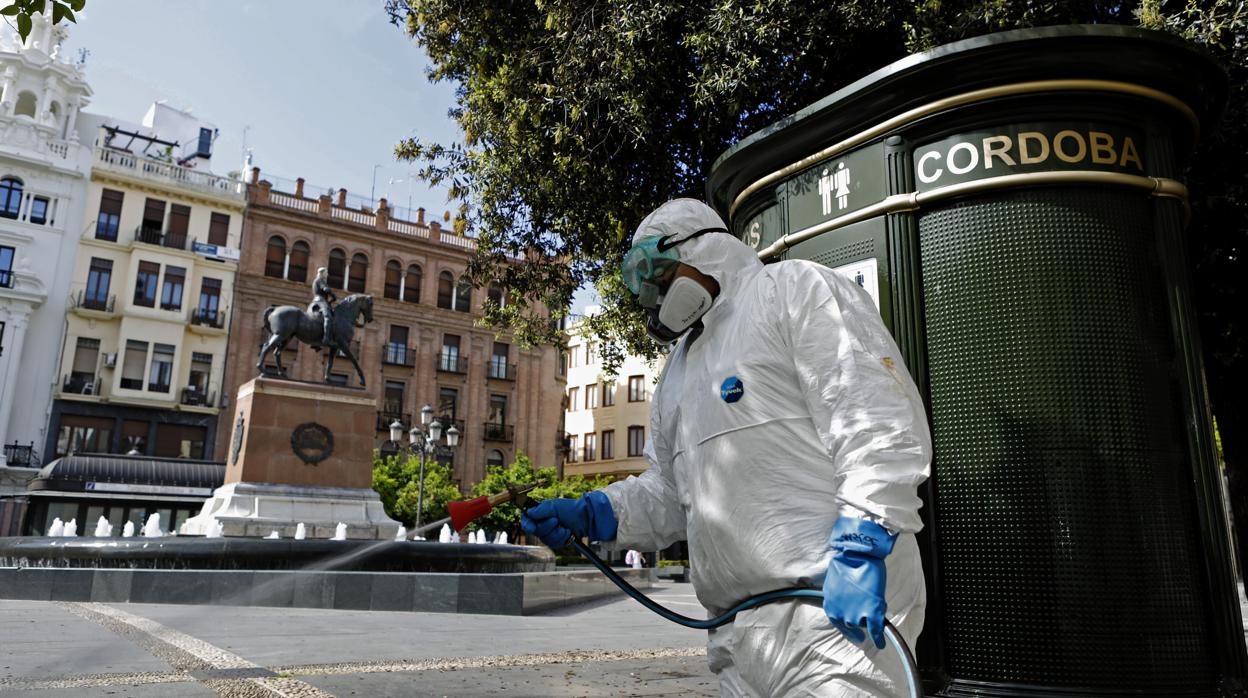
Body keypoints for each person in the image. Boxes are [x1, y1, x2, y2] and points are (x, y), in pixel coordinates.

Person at [522, 198, 932, 696]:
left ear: (703, 248)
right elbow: (672, 494)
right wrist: (595, 513)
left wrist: (862, 545)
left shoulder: (794, 291)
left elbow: (873, 420)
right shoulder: (677, 369)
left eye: (656, 271)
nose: (651, 293)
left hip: (834, 612)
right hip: (736, 634)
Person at [308, 266, 337, 349]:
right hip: (321, 301)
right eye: (326, 273)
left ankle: (317, 340)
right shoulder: (320, 280)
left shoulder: (316, 281)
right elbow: (326, 289)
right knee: (328, 318)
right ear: (322, 273)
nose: (327, 274)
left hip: (316, 301)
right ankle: (326, 339)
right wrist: (333, 294)